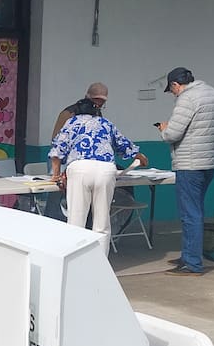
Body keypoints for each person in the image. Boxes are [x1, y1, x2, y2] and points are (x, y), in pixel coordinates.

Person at [48, 98, 148, 255]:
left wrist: (55, 175)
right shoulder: (105, 123)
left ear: (76, 112)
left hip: (80, 169)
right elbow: (124, 145)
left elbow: (56, 152)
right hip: (106, 170)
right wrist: (140, 157)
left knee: (76, 220)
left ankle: (75, 261)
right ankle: (101, 265)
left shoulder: (71, 123)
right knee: (102, 222)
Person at [158, 67, 214, 276]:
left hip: (189, 164)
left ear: (176, 85)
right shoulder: (213, 93)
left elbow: (173, 134)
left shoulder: (187, 98)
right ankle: (188, 255)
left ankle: (192, 263)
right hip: (207, 162)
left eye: (172, 90)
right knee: (196, 212)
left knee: (190, 214)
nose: (174, 94)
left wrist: (163, 129)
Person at [43, 83, 109, 220]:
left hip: (86, 164)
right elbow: (56, 142)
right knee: (56, 197)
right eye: (96, 101)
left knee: (82, 201)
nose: (99, 105)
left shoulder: (98, 115)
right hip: (63, 162)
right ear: (87, 97)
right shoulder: (68, 113)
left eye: (102, 102)